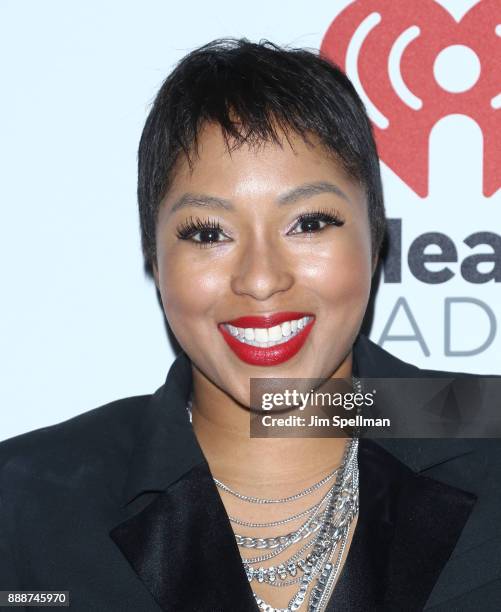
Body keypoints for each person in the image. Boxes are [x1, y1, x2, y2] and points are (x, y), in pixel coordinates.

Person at [1, 38, 500, 612]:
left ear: (375, 235)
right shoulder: (25, 498)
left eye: (309, 223)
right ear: (155, 256)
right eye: (208, 233)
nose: (261, 280)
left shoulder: (485, 428)